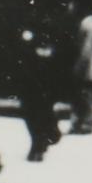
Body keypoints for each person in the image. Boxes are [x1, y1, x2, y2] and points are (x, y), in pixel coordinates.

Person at [15, 18, 61, 162]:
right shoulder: (27, 33)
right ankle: (44, 139)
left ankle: (39, 144)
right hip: (30, 83)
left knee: (40, 112)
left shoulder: (48, 32)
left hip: (44, 84)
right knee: (31, 113)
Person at [69, 5, 92, 136]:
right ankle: (83, 122)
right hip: (90, 64)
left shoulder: (87, 24)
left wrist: (79, 65)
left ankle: (84, 122)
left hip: (86, 65)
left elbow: (86, 48)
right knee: (85, 93)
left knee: (84, 93)